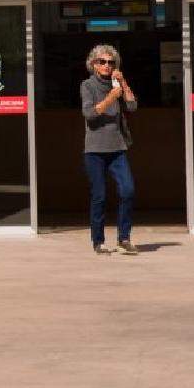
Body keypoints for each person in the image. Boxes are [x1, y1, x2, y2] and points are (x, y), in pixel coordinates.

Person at [79, 44, 138, 255]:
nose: (106, 65)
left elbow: (132, 106)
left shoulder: (117, 84)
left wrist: (122, 82)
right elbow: (90, 114)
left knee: (127, 189)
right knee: (100, 196)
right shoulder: (87, 85)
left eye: (110, 62)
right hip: (95, 149)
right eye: (102, 62)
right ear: (94, 65)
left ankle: (124, 237)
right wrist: (112, 97)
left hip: (117, 147)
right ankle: (98, 241)